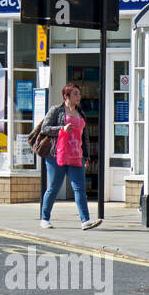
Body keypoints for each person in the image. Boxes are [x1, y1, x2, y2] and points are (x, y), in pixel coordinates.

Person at [36, 83, 102, 231]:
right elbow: (44, 129)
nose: (79, 96)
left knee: (79, 189)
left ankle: (85, 220)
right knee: (53, 187)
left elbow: (84, 136)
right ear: (66, 96)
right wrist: (61, 129)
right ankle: (45, 218)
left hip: (76, 156)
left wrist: (86, 156)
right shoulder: (56, 110)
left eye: (79, 94)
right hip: (56, 156)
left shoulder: (80, 112)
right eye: (75, 94)